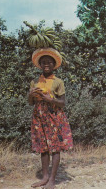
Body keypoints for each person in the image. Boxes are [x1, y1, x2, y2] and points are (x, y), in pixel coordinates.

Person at [28, 48, 73, 189]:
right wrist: (30, 94)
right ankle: (45, 177)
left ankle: (52, 180)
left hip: (54, 117)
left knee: (55, 148)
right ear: (40, 65)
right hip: (39, 116)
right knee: (43, 148)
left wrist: (50, 99)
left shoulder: (58, 82)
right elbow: (31, 102)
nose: (46, 64)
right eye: (43, 62)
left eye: (49, 62)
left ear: (54, 65)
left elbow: (63, 102)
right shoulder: (35, 81)